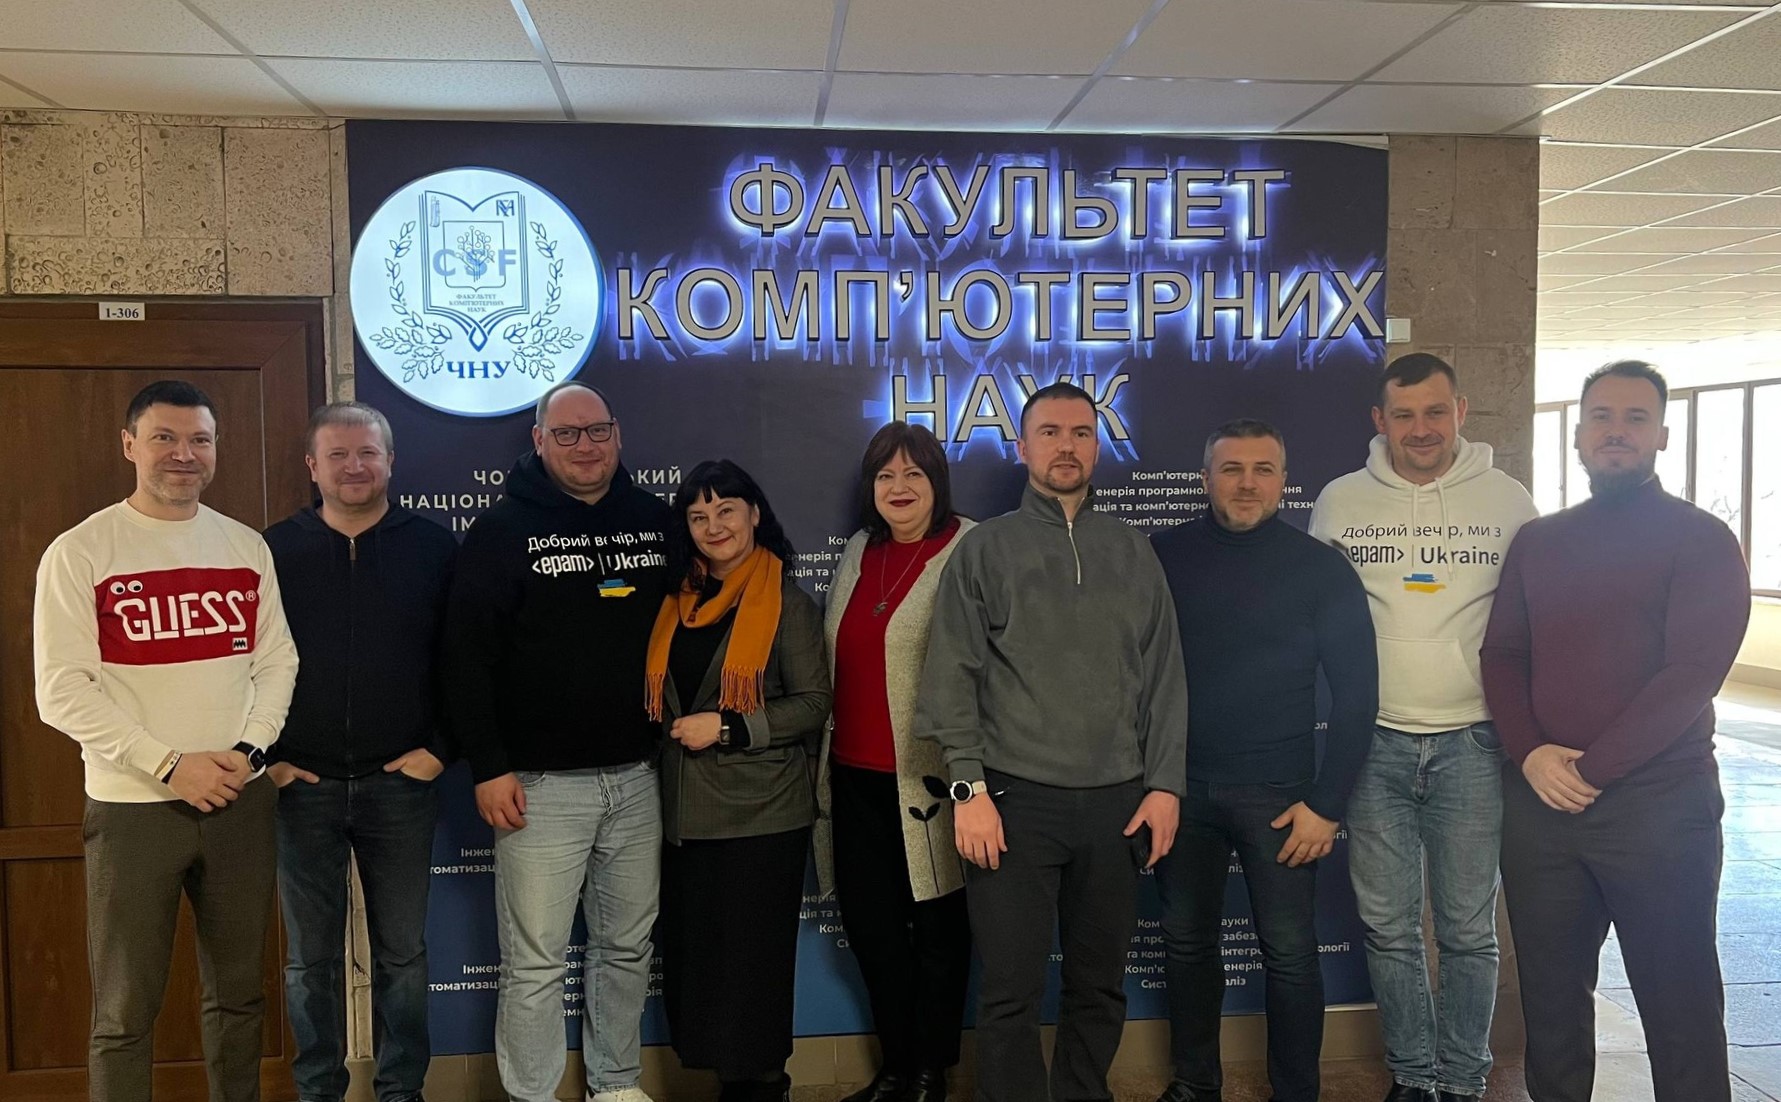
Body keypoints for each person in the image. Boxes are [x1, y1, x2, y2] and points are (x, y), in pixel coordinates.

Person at [1482, 360, 1751, 1102]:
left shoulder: (1701, 540)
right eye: (1601, 416)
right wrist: (1530, 755)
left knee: (1679, 1004)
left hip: (1660, 809)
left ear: (1661, 434)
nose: (1616, 431)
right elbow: (1502, 654)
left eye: (1635, 418)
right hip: (1542, 811)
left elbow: (1690, 673)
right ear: (1578, 434)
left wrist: (1590, 770)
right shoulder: (1539, 541)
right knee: (1551, 1008)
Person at [913, 382, 1189, 1102]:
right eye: (1049, 432)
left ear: (1096, 446)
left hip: (1117, 805)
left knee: (1099, 985)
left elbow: (1164, 678)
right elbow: (950, 679)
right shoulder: (985, 549)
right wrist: (968, 791)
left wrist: (1164, 785)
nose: (1066, 446)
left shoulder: (1132, 551)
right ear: (1022, 446)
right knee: (1010, 988)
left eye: (1080, 433)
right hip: (1012, 803)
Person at [33, 380, 299, 1102]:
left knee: (240, 997)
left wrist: (248, 754)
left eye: (199, 440)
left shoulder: (243, 546)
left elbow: (277, 662)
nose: (184, 454)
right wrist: (170, 765)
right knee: (124, 1011)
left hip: (240, 801)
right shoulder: (81, 551)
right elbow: (61, 692)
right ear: (130, 446)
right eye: (164, 438)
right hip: (132, 808)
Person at [1310, 353, 1538, 1102]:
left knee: (1469, 930)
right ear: (1379, 420)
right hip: (1372, 743)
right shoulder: (1340, 502)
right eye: (1403, 415)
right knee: (1388, 927)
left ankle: (1464, 1079)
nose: (1420, 429)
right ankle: (1412, 1076)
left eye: (1435, 412)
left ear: (1460, 412)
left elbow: (1534, 622)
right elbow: (1318, 621)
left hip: (1473, 743)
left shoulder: (1509, 502)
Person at [442, 381, 670, 1102]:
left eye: (596, 430)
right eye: (566, 434)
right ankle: (532, 1094)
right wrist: (489, 766)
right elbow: (464, 658)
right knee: (536, 961)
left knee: (626, 947)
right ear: (539, 441)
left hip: (638, 777)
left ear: (617, 434)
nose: (585, 446)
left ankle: (616, 1085)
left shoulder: (656, 522)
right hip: (539, 787)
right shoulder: (500, 530)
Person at [1149, 419, 1378, 1102]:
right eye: (1231, 469)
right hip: (1180, 790)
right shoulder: (1161, 557)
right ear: (1204, 478)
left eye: (1262, 469)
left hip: (1283, 798)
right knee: (1185, 945)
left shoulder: (1321, 568)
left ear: (1283, 482)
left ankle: (1295, 1092)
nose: (1246, 483)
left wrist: (1327, 805)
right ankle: (1194, 1085)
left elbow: (1358, 694)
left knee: (1289, 954)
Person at [263, 401, 458, 1102]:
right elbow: (238, 663)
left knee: (402, 957)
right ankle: (318, 1090)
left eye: (367, 452)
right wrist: (267, 759)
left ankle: (401, 1090)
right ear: (311, 466)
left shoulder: (434, 548)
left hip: (400, 784)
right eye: (338, 455)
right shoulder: (270, 551)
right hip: (300, 787)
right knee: (308, 963)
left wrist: (441, 749)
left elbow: (467, 660)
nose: (354, 466)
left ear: (391, 461)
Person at [647, 460, 831, 1102]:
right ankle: (732, 1086)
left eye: (726, 510)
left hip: (762, 818)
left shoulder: (788, 603)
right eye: (698, 516)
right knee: (701, 968)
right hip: (684, 817)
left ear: (754, 514)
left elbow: (813, 704)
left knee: (753, 972)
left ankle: (763, 1088)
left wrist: (726, 727)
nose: (714, 526)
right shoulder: (676, 602)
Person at [815, 422, 975, 1102]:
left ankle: (930, 1073)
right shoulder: (859, 550)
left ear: (937, 481)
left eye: (914, 473)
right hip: (851, 779)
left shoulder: (969, 547)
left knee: (938, 934)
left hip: (932, 782)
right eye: (886, 475)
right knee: (873, 933)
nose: (900, 487)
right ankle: (896, 1066)